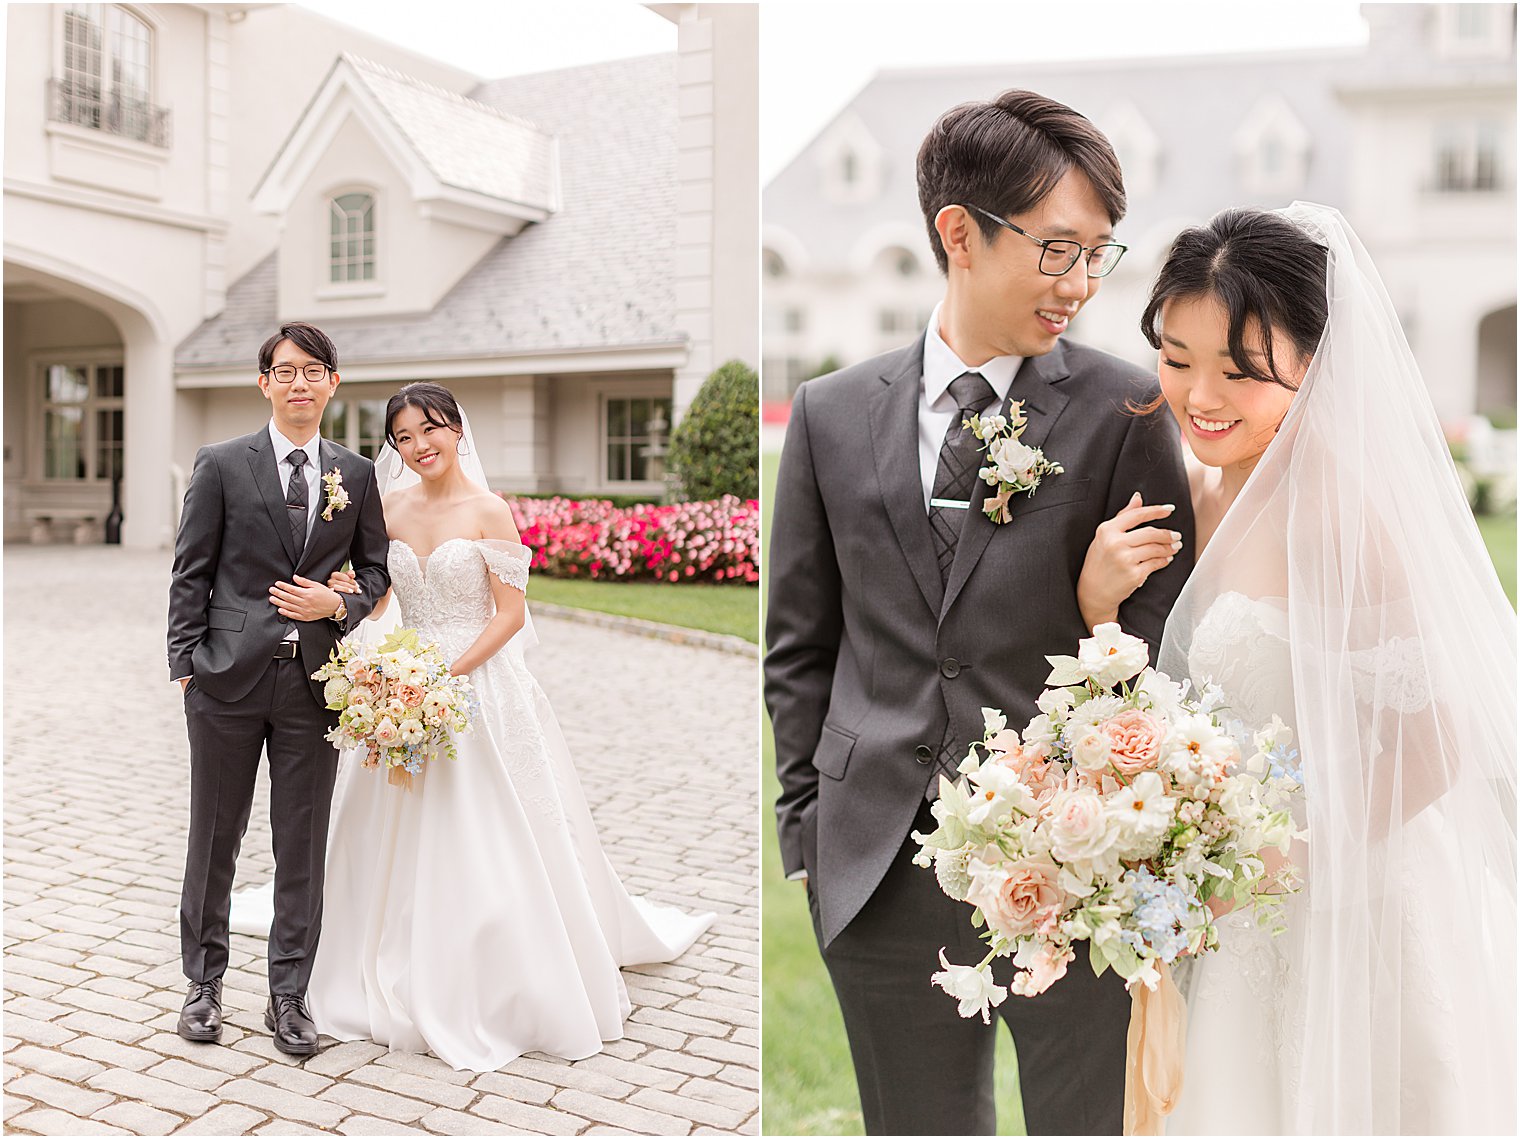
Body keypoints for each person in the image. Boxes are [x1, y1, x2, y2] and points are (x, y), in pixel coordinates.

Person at [765, 89, 1193, 1135]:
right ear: (958, 232)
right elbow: (799, 642)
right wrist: (807, 830)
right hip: (874, 861)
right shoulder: (828, 412)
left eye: (1098, 253)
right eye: (1058, 250)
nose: (1082, 284)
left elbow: (1168, 639)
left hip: (1071, 861)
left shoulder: (1123, 407)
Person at [1077, 203, 1516, 1134]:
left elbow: (1436, 741)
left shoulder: (1343, 512)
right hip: (1233, 901)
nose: (1202, 395)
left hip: (1349, 896)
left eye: (1241, 370)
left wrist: (1287, 856)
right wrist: (1099, 609)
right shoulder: (1194, 493)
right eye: (1178, 357)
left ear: (1313, 366)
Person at [304, 381, 714, 1072]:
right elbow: (383, 603)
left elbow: (509, 614)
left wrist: (447, 674)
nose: (418, 445)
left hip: (480, 684)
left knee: (495, 829)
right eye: (403, 437)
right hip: (403, 678)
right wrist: (352, 620)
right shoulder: (389, 508)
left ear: (457, 428)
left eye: (429, 429)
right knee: (388, 823)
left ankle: (503, 967)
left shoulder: (489, 510)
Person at [167, 322, 391, 1055]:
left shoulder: (354, 475)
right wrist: (185, 663)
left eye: (314, 370)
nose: (300, 383)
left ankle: (288, 997)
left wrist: (340, 607)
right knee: (215, 838)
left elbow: (376, 569)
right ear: (264, 382)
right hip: (225, 680)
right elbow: (191, 570)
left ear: (334, 381)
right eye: (286, 371)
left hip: (313, 684)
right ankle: (203, 986)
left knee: (300, 844)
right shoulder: (222, 464)